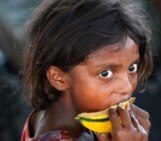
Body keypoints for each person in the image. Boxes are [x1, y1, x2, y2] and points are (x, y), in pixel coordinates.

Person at [21, 0, 153, 140]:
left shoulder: (53, 113)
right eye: (105, 73)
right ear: (58, 78)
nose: (127, 87)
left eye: (132, 68)